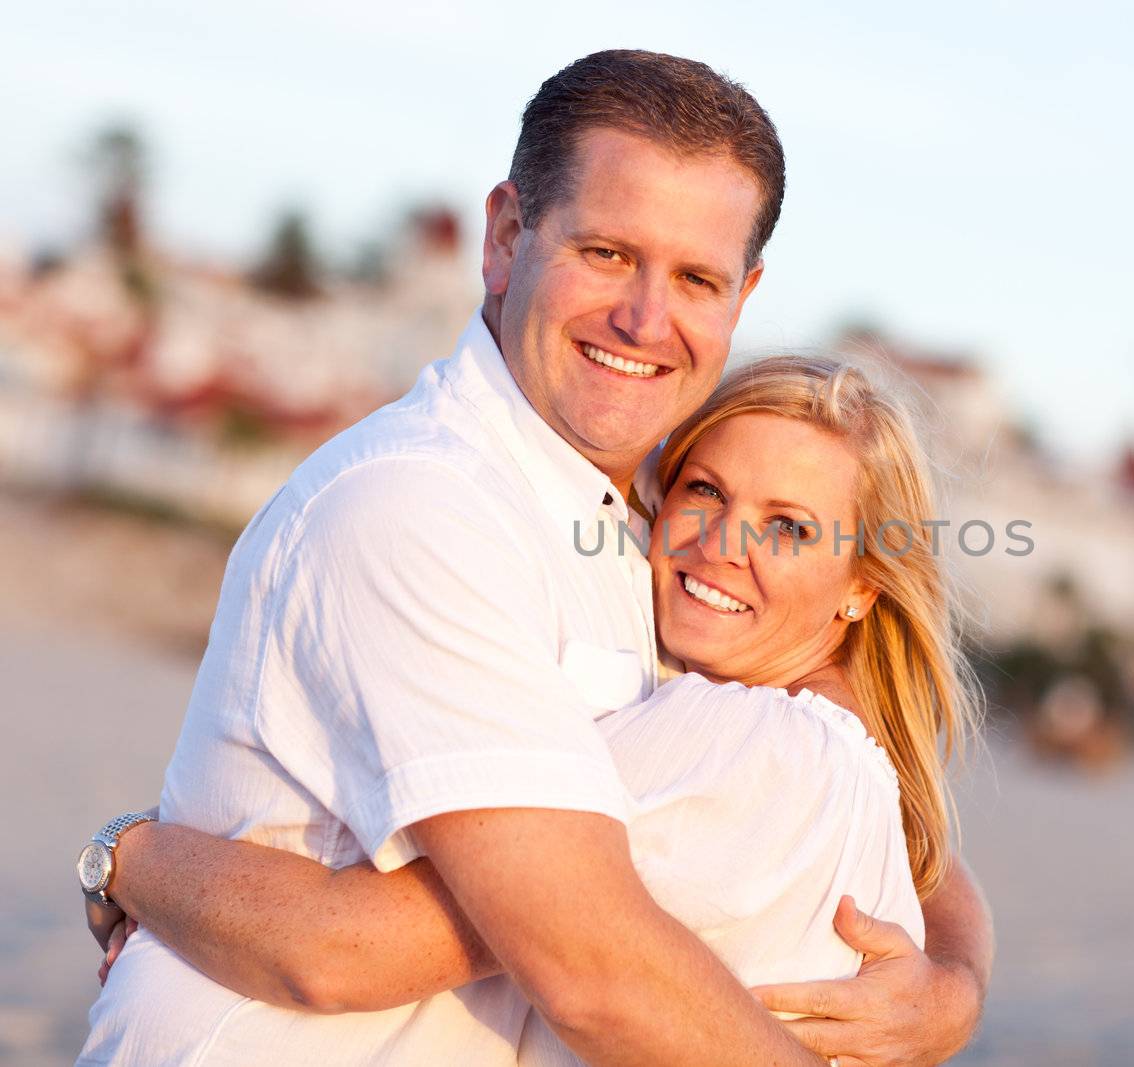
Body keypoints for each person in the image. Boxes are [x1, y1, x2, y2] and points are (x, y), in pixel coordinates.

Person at [75, 50, 992, 1066]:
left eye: (696, 277)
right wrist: (131, 856)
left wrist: (954, 980)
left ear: (744, 296)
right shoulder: (422, 506)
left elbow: (858, 807)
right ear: (507, 235)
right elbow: (563, 960)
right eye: (605, 252)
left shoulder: (644, 534)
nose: (646, 318)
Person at [93, 355, 985, 1067]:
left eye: (789, 527)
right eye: (706, 490)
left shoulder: (738, 742)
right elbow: (939, 871)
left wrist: (129, 855)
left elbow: (340, 946)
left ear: (863, 588)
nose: (721, 545)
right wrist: (961, 984)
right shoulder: (849, 765)